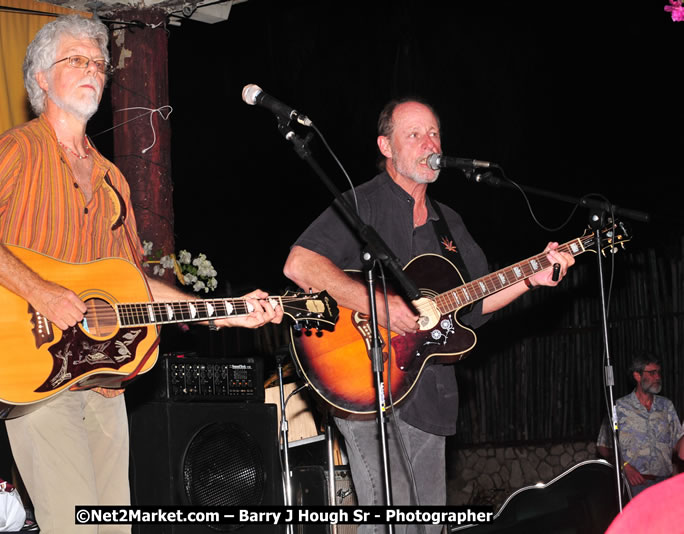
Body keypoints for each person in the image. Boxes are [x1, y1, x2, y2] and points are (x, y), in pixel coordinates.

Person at [0, 15, 282, 533]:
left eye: (97, 62)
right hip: (34, 371)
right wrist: (40, 291)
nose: (93, 69)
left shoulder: (112, 177)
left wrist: (225, 316)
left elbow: (134, 285)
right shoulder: (20, 149)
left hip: (104, 381)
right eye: (76, 60)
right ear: (42, 79)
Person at [283, 97, 575, 534]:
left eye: (434, 133)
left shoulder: (448, 222)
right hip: (364, 381)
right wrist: (378, 305)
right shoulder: (362, 202)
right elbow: (299, 265)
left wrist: (533, 276)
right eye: (414, 134)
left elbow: (477, 300)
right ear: (386, 146)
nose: (429, 143)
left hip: (430, 393)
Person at [596, 354, 684, 496]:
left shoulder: (666, 405)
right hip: (634, 485)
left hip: (664, 483)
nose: (657, 377)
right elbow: (603, 446)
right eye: (652, 373)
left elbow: (677, 445)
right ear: (637, 376)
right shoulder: (619, 407)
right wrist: (624, 466)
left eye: (658, 372)